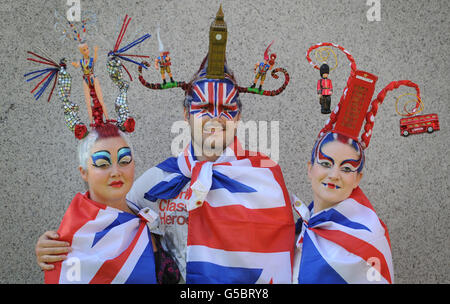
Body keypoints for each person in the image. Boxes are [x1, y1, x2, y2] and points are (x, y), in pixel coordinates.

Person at [36, 6, 295, 284]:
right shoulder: (158, 180)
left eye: (227, 109)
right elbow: (109, 226)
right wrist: (59, 245)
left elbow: (300, 240)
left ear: (239, 116)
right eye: (204, 107)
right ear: (186, 114)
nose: (215, 118)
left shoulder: (266, 175)